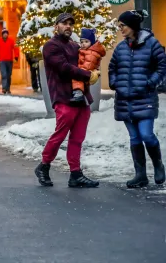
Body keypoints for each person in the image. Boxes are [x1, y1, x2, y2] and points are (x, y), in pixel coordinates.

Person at [34, 13, 100, 188]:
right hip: (63, 97)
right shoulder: (50, 46)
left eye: (71, 23)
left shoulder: (74, 45)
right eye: (64, 23)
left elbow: (85, 61)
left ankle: (76, 174)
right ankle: (44, 166)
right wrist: (88, 74)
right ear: (56, 26)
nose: (68, 26)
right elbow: (63, 68)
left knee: (77, 138)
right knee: (60, 135)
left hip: (81, 98)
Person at [109, 10, 166, 188]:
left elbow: (162, 66)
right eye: (119, 26)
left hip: (145, 97)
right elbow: (112, 68)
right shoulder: (121, 47)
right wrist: (115, 83)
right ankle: (140, 174)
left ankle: (158, 165)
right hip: (125, 100)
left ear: (132, 26)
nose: (120, 29)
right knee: (134, 137)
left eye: (122, 26)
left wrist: (151, 83)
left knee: (147, 135)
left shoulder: (152, 44)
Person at [71, 28, 106, 103]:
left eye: (86, 41)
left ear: (92, 42)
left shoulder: (91, 52)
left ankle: (78, 94)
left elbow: (89, 64)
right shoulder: (86, 50)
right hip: (85, 70)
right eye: (82, 42)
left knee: (77, 78)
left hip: (87, 71)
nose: (83, 44)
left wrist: (81, 71)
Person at [0, 29, 19, 94]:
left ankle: (8, 88)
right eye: (4, 33)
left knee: (9, 75)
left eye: (6, 33)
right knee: (4, 74)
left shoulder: (11, 40)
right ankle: (4, 88)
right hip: (2, 61)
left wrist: (16, 57)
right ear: (2, 34)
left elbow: (16, 48)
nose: (5, 34)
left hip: (10, 61)